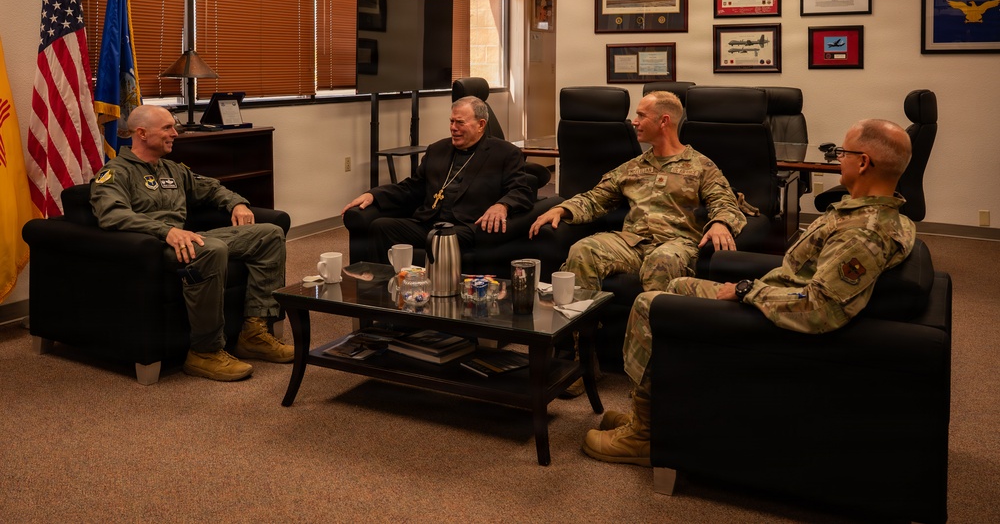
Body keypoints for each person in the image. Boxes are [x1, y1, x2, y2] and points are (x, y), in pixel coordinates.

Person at [582, 118, 917, 467]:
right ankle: (654, 411)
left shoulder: (863, 233)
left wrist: (746, 291)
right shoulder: (870, 214)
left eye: (842, 153)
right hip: (774, 300)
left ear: (863, 162)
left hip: (772, 323)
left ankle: (643, 435)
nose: (837, 160)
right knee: (677, 286)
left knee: (650, 304)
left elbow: (820, 308)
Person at [91, 105, 292, 382]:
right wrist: (166, 231)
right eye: (167, 128)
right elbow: (112, 214)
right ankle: (204, 352)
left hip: (186, 240)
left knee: (269, 234)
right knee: (211, 249)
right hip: (152, 248)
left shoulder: (173, 169)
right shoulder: (115, 172)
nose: (175, 133)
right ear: (142, 133)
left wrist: (237, 204)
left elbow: (211, 188)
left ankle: (254, 334)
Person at [528, 90, 748, 293]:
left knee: (661, 261)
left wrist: (721, 223)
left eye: (642, 115)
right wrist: (562, 209)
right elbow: (595, 199)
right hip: (631, 243)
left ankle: (652, 322)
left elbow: (724, 203)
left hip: (676, 244)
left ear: (664, 121)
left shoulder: (701, 166)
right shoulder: (633, 167)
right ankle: (580, 321)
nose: (634, 121)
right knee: (584, 249)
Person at [341, 96, 534, 259]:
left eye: (460, 122)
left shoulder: (504, 153)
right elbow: (412, 187)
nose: (453, 128)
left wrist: (503, 205)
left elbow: (521, 190)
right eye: (451, 121)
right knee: (381, 227)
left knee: (442, 238)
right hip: (429, 222)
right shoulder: (437, 149)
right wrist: (373, 195)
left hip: (466, 226)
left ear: (481, 125)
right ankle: (380, 286)